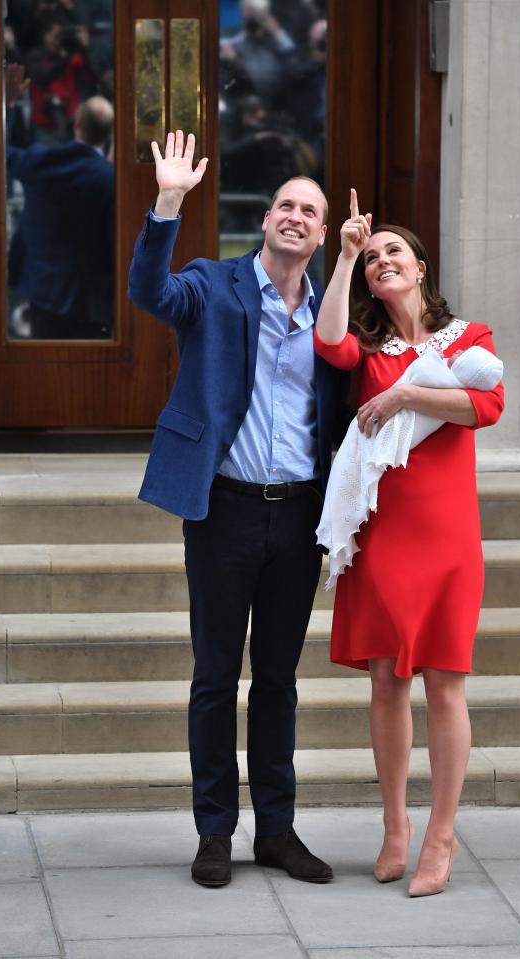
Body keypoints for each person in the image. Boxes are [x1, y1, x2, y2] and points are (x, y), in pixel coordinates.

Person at [128, 130, 347, 888]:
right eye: (284, 204)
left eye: (308, 210)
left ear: (322, 235)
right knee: (216, 674)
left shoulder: (332, 317)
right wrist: (168, 202)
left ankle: (277, 830)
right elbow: (148, 293)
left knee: (279, 679)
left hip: (298, 519)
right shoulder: (213, 287)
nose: (294, 216)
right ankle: (215, 829)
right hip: (222, 509)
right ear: (266, 220)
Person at [314, 190, 504, 897]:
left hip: (447, 537)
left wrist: (403, 396)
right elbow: (326, 341)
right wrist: (340, 255)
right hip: (383, 534)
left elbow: (484, 405)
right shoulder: (367, 350)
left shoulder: (468, 339)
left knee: (444, 685)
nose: (380, 262)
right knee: (386, 681)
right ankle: (394, 826)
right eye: (371, 258)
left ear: (421, 267)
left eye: (392, 251)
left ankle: (440, 835)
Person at [5, 64, 114, 339]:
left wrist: (6, 104)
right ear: (109, 134)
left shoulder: (41, 161)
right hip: (95, 304)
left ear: (76, 123)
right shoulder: (111, 178)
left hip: (45, 295)